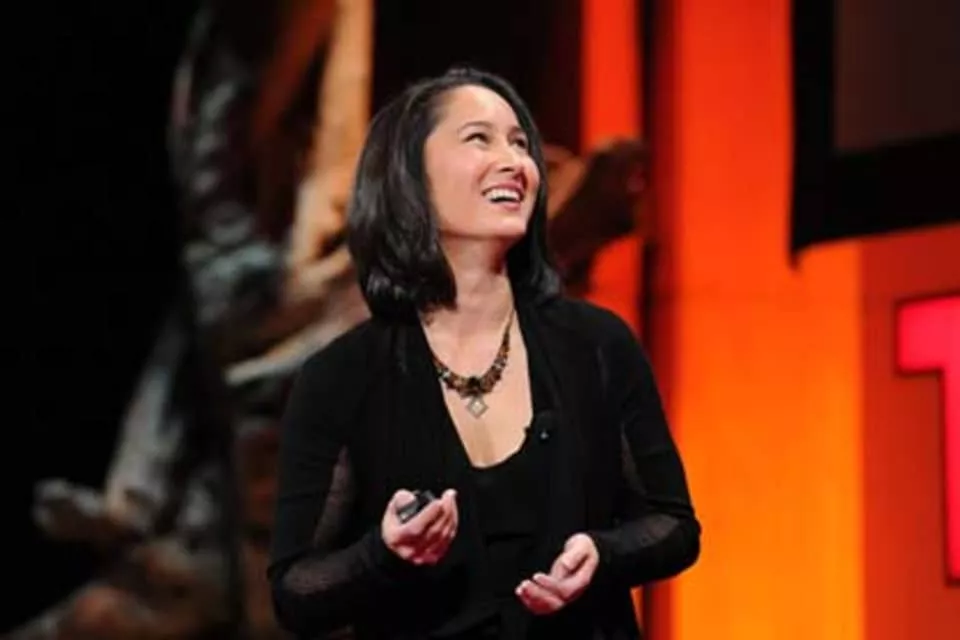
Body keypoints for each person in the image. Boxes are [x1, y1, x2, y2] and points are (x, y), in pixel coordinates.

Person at [267, 67, 701, 640]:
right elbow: (296, 591)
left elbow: (673, 525)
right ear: (411, 175)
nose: (515, 162)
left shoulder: (597, 345)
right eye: (480, 138)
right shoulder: (343, 375)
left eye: (520, 144)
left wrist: (603, 553)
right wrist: (383, 554)